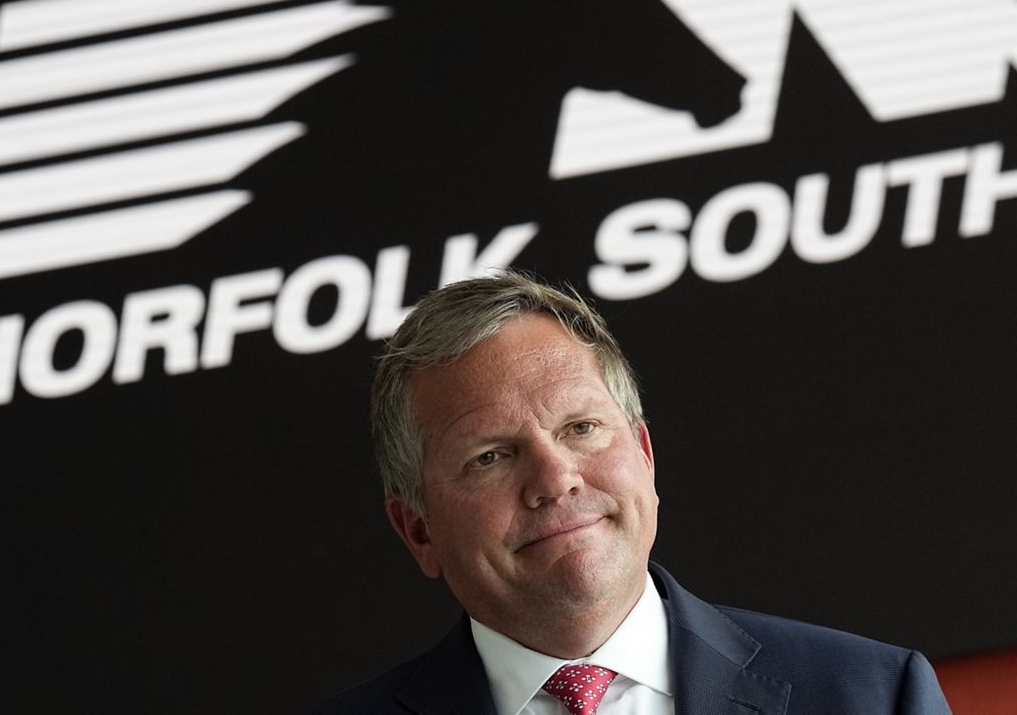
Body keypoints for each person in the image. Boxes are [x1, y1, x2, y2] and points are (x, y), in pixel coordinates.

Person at [310, 271, 951, 715]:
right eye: (491, 456)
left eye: (581, 428)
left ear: (643, 455)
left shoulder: (870, 697)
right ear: (418, 530)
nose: (555, 478)